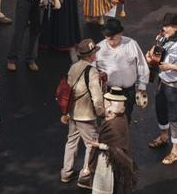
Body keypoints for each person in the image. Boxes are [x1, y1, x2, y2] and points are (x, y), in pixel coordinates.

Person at [146, 12, 177, 165]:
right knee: (160, 110)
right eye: (164, 25)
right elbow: (154, 51)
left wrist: (171, 66)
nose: (164, 29)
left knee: (174, 117)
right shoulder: (162, 37)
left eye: (167, 26)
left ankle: (175, 150)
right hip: (162, 81)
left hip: (175, 85)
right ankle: (163, 136)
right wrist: (149, 57)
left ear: (176, 27)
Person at [61, 39, 105, 188]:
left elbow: (69, 89)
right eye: (94, 52)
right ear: (91, 55)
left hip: (73, 112)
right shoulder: (92, 71)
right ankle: (85, 176)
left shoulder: (73, 67)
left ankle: (66, 172)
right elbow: (97, 97)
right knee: (92, 145)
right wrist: (101, 112)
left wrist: (67, 112)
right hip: (86, 115)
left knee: (71, 141)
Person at [96, 18, 148, 121]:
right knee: (109, 120)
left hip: (128, 92)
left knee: (126, 118)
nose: (110, 39)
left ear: (120, 33)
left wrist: (142, 84)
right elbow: (92, 70)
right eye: (107, 37)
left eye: (113, 37)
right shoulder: (99, 48)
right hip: (109, 92)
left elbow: (141, 64)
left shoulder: (131, 44)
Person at [88, 88, 139, 194]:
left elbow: (116, 148)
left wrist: (99, 145)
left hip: (108, 160)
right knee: (115, 183)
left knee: (107, 184)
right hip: (113, 159)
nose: (107, 109)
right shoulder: (122, 117)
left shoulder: (115, 124)